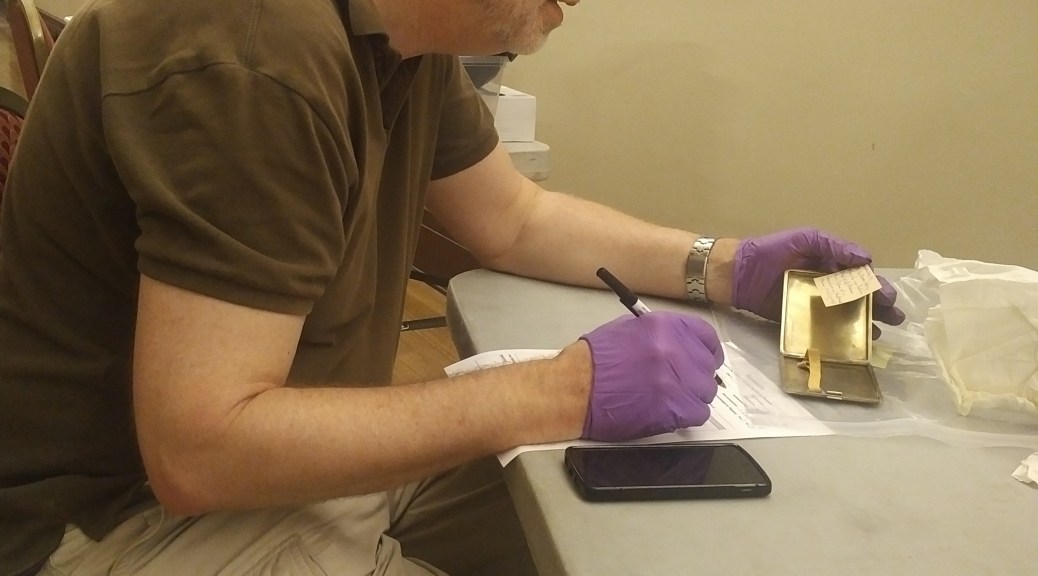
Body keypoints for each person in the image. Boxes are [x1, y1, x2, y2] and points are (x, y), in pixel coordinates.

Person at [0, 0, 905, 574]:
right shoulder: (252, 53)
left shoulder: (405, 38)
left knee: (645, 513)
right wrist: (558, 391)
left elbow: (513, 217)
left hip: (283, 469)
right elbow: (201, 452)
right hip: (121, 528)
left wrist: (728, 265)